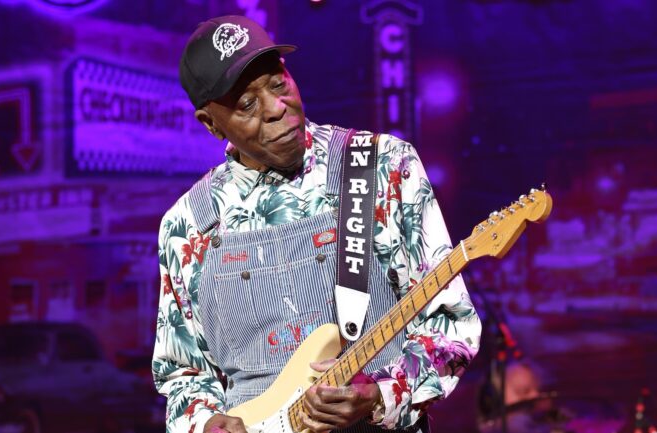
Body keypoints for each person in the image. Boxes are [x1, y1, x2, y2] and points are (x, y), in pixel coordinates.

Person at [152, 15, 482, 433]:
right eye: (247, 104)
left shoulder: (381, 168)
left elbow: (450, 324)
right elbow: (183, 375)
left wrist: (382, 395)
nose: (276, 108)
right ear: (211, 122)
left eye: (278, 83)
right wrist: (203, 423)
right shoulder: (188, 225)